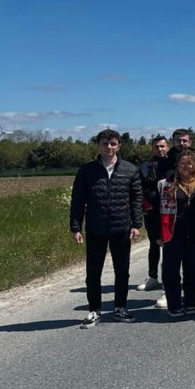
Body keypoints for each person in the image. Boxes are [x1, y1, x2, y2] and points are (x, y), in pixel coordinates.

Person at [70, 129, 143, 328]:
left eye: (113, 143)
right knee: (93, 273)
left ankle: (120, 308)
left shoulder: (130, 169)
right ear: (98, 145)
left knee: (122, 271)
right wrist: (76, 227)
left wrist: (136, 224)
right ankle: (94, 310)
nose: (109, 147)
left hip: (121, 228)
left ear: (118, 145)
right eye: (105, 143)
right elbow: (77, 200)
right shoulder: (87, 170)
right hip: (95, 228)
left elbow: (136, 199)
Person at [156, 149, 195, 317]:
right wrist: (157, 234)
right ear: (177, 165)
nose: (186, 166)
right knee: (171, 270)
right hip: (171, 231)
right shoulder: (165, 184)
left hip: (194, 233)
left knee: (193, 269)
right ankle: (174, 304)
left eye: (190, 163)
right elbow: (155, 211)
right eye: (182, 163)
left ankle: (191, 302)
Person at [137, 135, 169, 294]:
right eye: (157, 146)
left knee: (170, 245)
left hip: (171, 210)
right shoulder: (146, 166)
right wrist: (148, 206)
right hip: (152, 210)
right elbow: (141, 189)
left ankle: (170, 279)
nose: (160, 149)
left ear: (167, 147)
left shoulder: (174, 163)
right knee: (154, 243)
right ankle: (152, 276)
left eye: (162, 146)